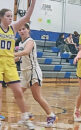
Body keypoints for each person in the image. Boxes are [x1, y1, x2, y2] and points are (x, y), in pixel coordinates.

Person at [0, 0, 36, 129]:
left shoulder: (13, 28)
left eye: (11, 16)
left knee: (18, 92)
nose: (10, 18)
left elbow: (27, 17)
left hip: (10, 63)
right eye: (7, 16)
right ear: (1, 17)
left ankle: (25, 117)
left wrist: (33, 3)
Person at [14, 23, 57, 127]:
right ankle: (26, 115)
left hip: (33, 71)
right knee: (17, 95)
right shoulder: (20, 43)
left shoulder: (30, 41)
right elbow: (19, 58)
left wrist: (12, 54)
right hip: (24, 73)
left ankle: (51, 115)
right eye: (19, 29)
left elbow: (26, 51)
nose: (22, 31)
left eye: (24, 29)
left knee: (37, 97)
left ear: (28, 30)